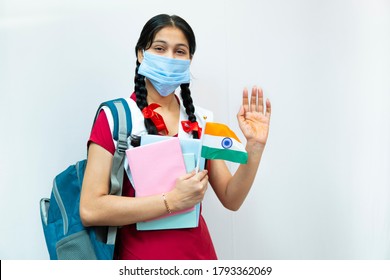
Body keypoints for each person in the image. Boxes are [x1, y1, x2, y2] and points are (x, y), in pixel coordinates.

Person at [80, 14, 271, 260]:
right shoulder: (116, 116)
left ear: (189, 59)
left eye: (180, 52)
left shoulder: (201, 121)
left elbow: (231, 198)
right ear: (141, 54)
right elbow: (90, 208)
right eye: (160, 48)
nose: (170, 58)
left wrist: (254, 147)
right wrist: (172, 200)